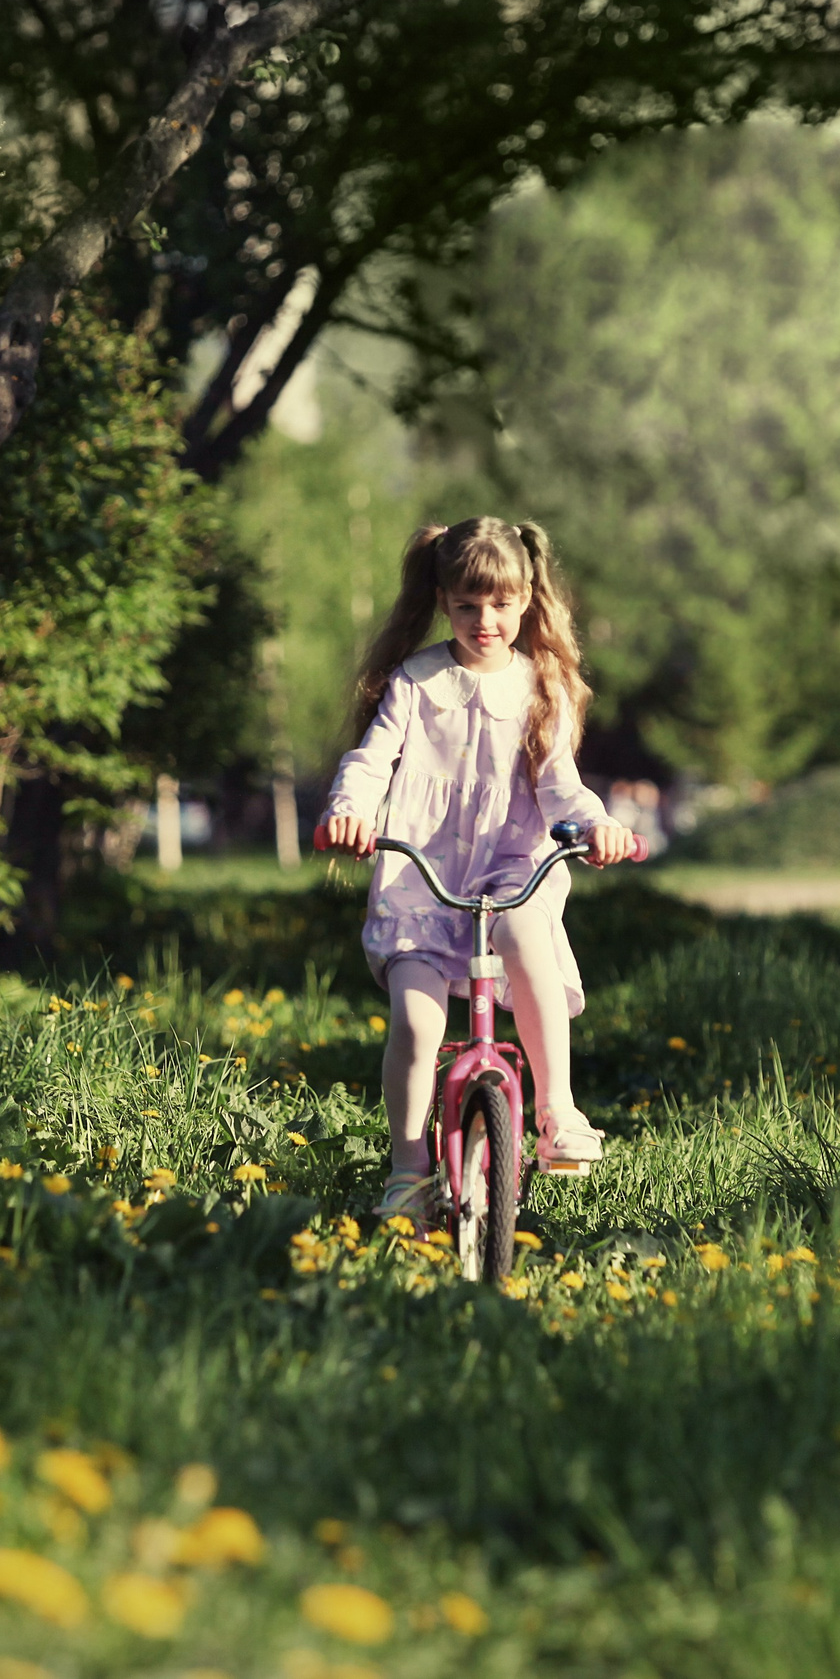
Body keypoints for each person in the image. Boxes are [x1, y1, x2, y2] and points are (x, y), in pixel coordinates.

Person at [318, 516, 638, 1226]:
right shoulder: (416, 681)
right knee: (416, 1021)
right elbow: (371, 762)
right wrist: (350, 811)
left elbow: (560, 785)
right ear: (442, 600)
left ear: (526, 601)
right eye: (467, 604)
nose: (484, 620)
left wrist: (597, 827)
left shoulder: (541, 685)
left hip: (512, 867)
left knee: (526, 936)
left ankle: (557, 1110)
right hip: (421, 879)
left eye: (500, 604)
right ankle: (408, 1173)